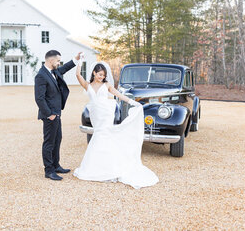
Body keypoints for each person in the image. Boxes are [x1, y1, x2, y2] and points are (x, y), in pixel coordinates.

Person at [73, 60, 159, 189]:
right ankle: (98, 166)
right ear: (94, 73)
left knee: (103, 135)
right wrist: (79, 62)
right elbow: (78, 75)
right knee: (98, 135)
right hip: (96, 114)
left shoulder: (106, 84)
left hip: (106, 114)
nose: (101, 77)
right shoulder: (87, 85)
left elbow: (118, 94)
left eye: (103, 75)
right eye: (99, 74)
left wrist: (132, 102)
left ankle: (108, 167)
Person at [34, 50, 82, 181]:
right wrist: (49, 114)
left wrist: (76, 59)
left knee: (57, 139)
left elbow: (65, 68)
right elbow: (39, 98)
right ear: (51, 61)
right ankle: (49, 170)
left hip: (57, 113)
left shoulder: (54, 71)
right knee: (49, 142)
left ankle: (56, 165)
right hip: (50, 115)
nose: (59, 63)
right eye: (58, 61)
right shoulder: (41, 76)